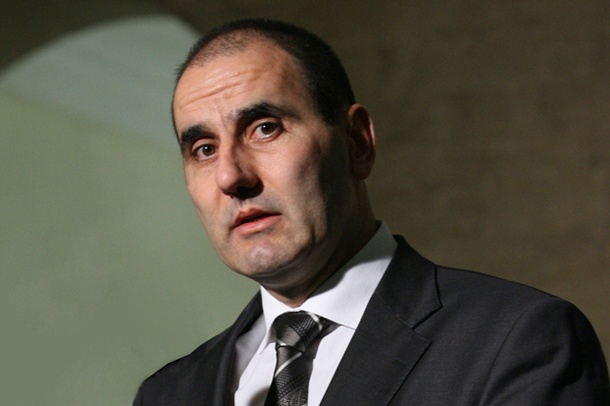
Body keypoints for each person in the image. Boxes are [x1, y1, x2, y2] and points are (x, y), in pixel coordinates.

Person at [133, 18, 610, 405]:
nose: (230, 176)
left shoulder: (518, 342)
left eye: (264, 128)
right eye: (203, 149)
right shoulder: (167, 394)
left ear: (357, 143)